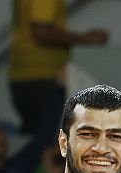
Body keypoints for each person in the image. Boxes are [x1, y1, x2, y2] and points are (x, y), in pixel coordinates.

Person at [8, 1, 109, 140]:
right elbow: (41, 32)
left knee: (36, 136)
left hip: (23, 74)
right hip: (43, 75)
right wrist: (85, 39)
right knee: (48, 140)